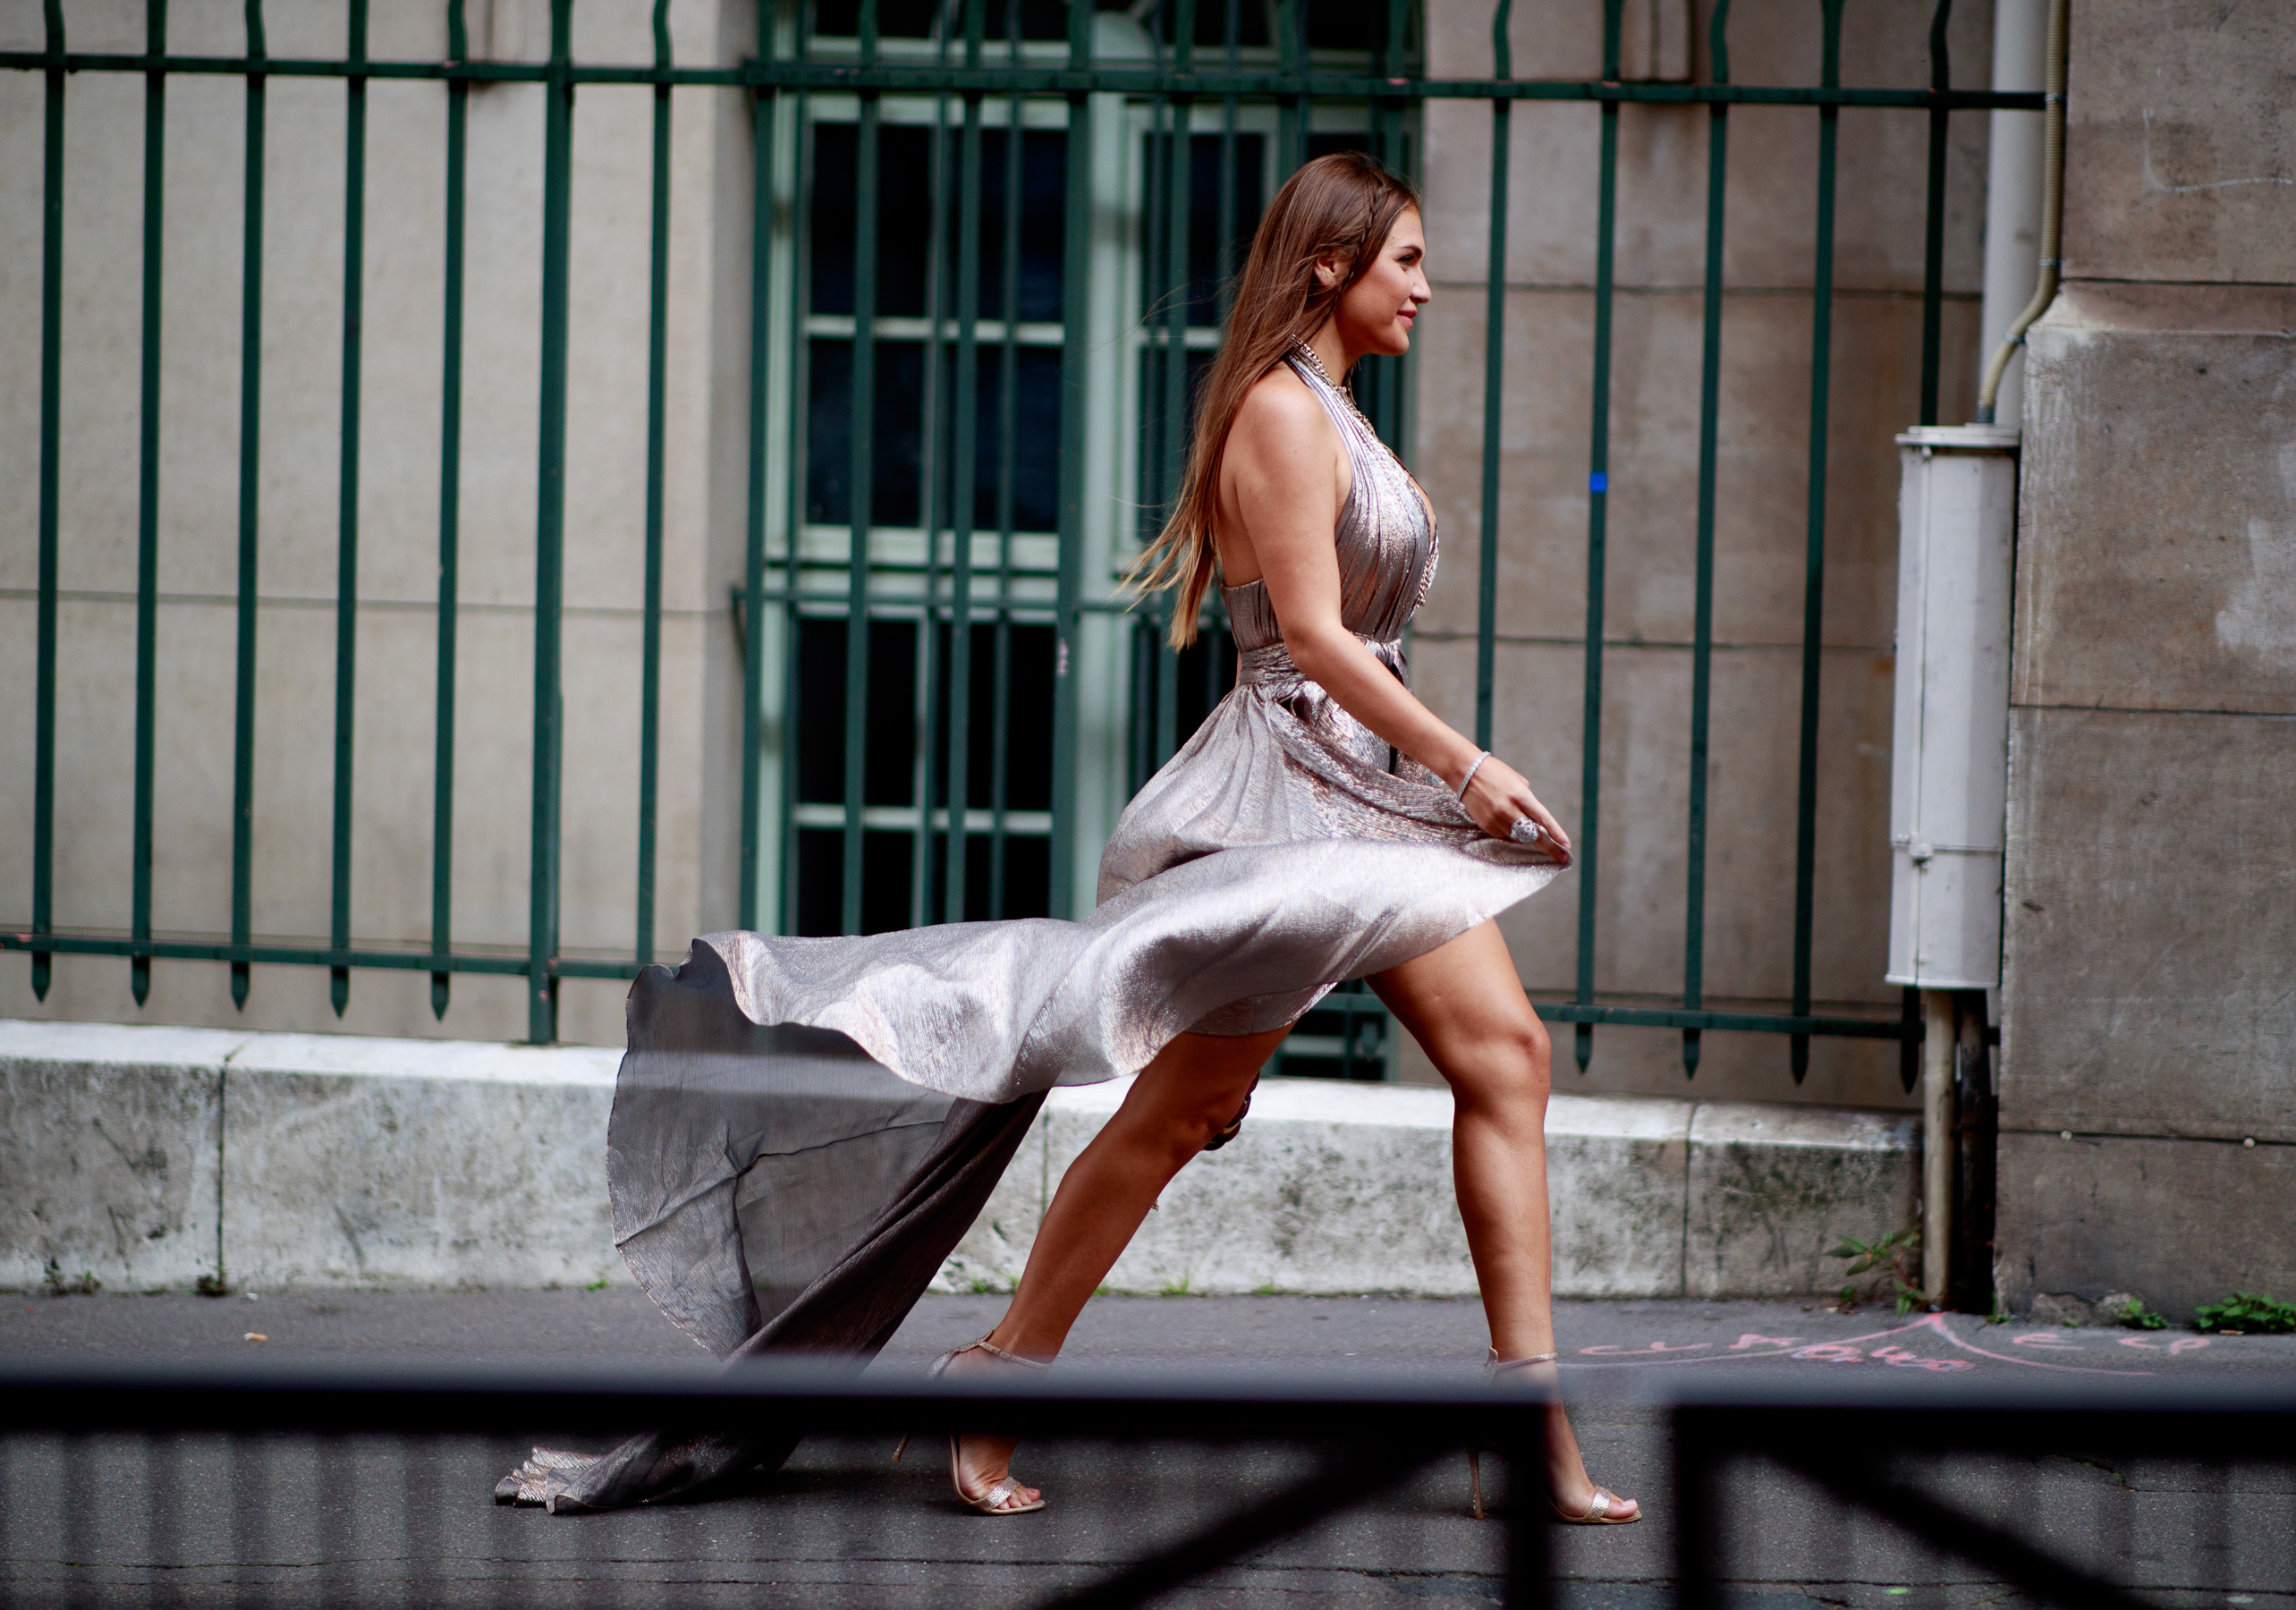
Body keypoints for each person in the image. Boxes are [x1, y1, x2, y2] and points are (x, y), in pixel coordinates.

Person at [498, 149, 1637, 1529]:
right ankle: (999, 1368)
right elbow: (1321, 642)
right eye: (1405, 261)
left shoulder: (1334, 409)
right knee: (1183, 1111)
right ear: (1331, 262)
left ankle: (1523, 1421)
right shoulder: (1282, 414)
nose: (1428, 288)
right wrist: (1469, 767)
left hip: (1363, 799)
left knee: (1502, 1059)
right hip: (1291, 801)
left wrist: (1431, 772)